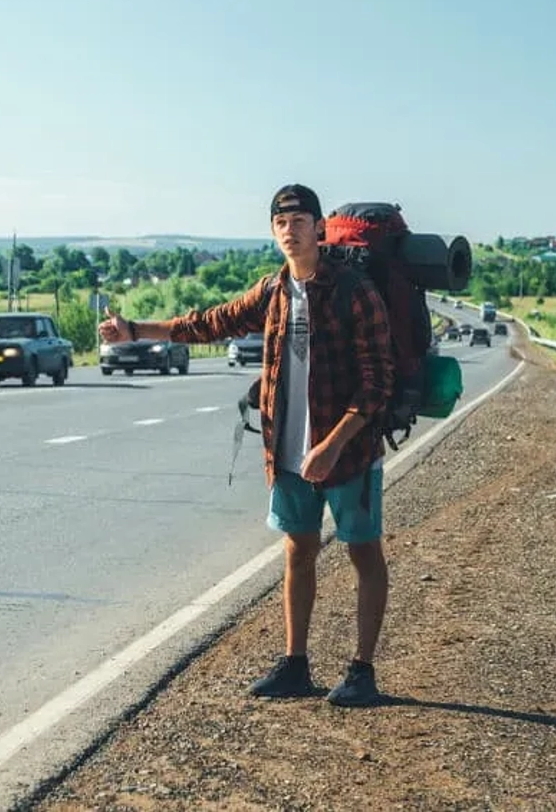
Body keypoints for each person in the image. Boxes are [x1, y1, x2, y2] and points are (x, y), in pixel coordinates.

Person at [98, 184, 395, 707]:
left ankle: (362, 670)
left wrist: (332, 444)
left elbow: (378, 382)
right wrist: (135, 331)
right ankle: (295, 664)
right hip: (288, 450)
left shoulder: (354, 291)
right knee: (298, 551)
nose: (289, 230)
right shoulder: (274, 290)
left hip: (348, 452)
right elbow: (208, 323)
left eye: (299, 221)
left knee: (363, 552)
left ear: (320, 228)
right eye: (281, 222)